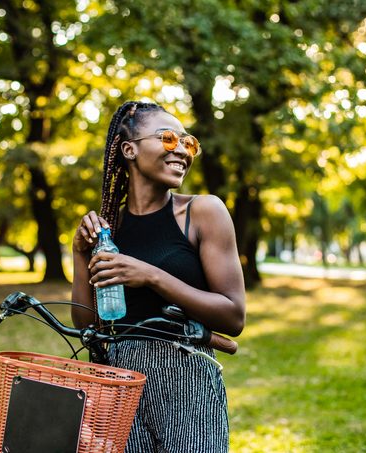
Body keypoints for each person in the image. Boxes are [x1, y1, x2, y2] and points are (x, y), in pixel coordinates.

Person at [71, 100, 245, 452]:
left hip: (187, 380)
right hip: (118, 381)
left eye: (187, 142)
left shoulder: (202, 212)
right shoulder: (109, 228)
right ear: (129, 150)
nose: (181, 150)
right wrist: (79, 252)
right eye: (168, 138)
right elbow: (88, 325)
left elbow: (233, 315)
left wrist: (151, 276)